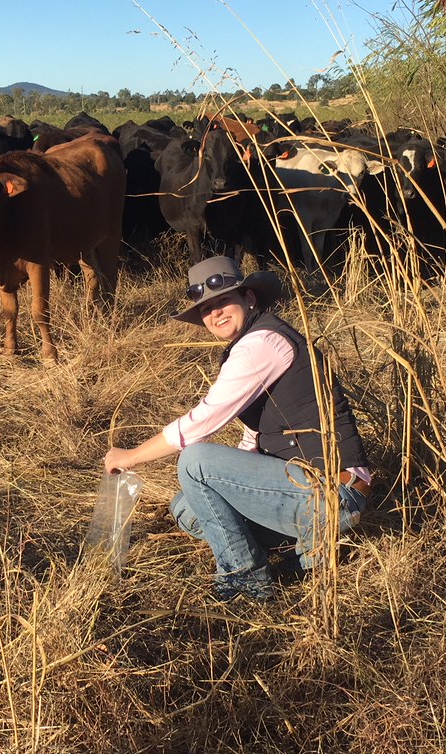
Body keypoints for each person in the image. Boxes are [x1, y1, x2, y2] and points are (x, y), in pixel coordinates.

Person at [103, 256, 372, 600]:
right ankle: (307, 552)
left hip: (333, 493)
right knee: (186, 509)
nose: (215, 313)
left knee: (194, 461)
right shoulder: (254, 342)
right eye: (207, 308)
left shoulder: (261, 344)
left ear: (249, 298)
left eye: (223, 301)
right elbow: (253, 437)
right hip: (306, 487)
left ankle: (244, 578)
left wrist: (133, 456)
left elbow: (201, 423)